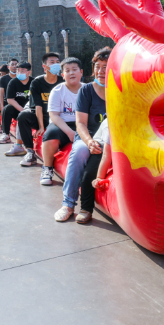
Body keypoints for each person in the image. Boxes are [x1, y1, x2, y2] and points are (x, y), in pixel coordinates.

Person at [55, 47, 110, 224]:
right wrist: (89, 141)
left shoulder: (120, 90)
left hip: (111, 139)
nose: (101, 71)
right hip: (89, 136)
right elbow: (80, 123)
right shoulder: (86, 91)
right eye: (98, 67)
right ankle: (68, 203)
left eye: (105, 67)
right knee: (79, 152)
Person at [38, 57, 83, 186]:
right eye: (67, 70)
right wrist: (69, 132)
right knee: (51, 134)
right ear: (62, 75)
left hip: (82, 123)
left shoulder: (88, 89)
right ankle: (47, 168)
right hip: (62, 123)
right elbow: (54, 115)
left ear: (81, 72)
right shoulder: (57, 91)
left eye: (74, 69)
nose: (71, 73)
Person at [17, 53, 62, 167]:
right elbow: (38, 106)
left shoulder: (62, 81)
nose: (56, 64)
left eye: (57, 62)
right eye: (52, 62)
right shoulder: (37, 82)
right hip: (41, 116)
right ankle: (30, 151)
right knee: (23, 116)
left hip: (58, 118)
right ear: (44, 66)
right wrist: (41, 127)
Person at [1, 62, 32, 150]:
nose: (19, 72)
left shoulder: (34, 82)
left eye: (22, 70)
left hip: (30, 108)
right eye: (18, 70)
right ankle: (6, 134)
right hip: (17, 107)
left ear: (29, 72)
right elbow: (10, 99)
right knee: (7, 109)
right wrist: (22, 110)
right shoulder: (13, 82)